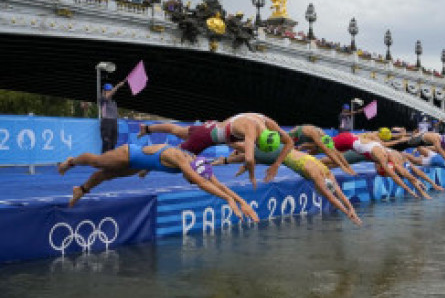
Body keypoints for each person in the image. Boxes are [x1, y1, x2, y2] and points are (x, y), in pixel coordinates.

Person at [56, 144, 259, 222]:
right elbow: (201, 182)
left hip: (140, 163)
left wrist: (242, 201)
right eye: (191, 181)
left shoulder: (197, 163)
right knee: (98, 162)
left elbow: (217, 184)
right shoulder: (181, 160)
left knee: (107, 175)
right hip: (130, 153)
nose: (189, 182)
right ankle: (71, 162)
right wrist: (227, 201)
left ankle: (81, 190)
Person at [216, 145, 362, 226]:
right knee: (249, 153)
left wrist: (351, 210)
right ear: (320, 186)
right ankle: (224, 147)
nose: (319, 190)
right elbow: (332, 198)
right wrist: (347, 213)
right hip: (280, 155)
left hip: (285, 151)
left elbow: (339, 194)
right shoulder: (317, 176)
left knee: (253, 156)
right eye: (320, 190)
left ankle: (229, 159)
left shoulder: (328, 174)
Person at [139, 113, 293, 189]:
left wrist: (276, 164)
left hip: (211, 126)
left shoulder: (267, 122)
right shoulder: (251, 130)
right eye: (258, 145)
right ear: (259, 140)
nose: (256, 146)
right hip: (206, 138)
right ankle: (147, 165)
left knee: (177, 130)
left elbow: (290, 142)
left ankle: (146, 129)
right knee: (176, 158)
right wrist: (252, 177)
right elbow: (250, 159)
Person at [99, 81, 126, 153]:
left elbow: (115, 114)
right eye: (107, 91)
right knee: (106, 143)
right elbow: (107, 96)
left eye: (110, 90)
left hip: (114, 122)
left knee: (113, 143)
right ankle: (103, 161)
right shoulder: (102, 99)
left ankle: (111, 161)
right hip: (106, 122)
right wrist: (117, 86)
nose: (109, 92)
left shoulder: (113, 102)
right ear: (103, 91)